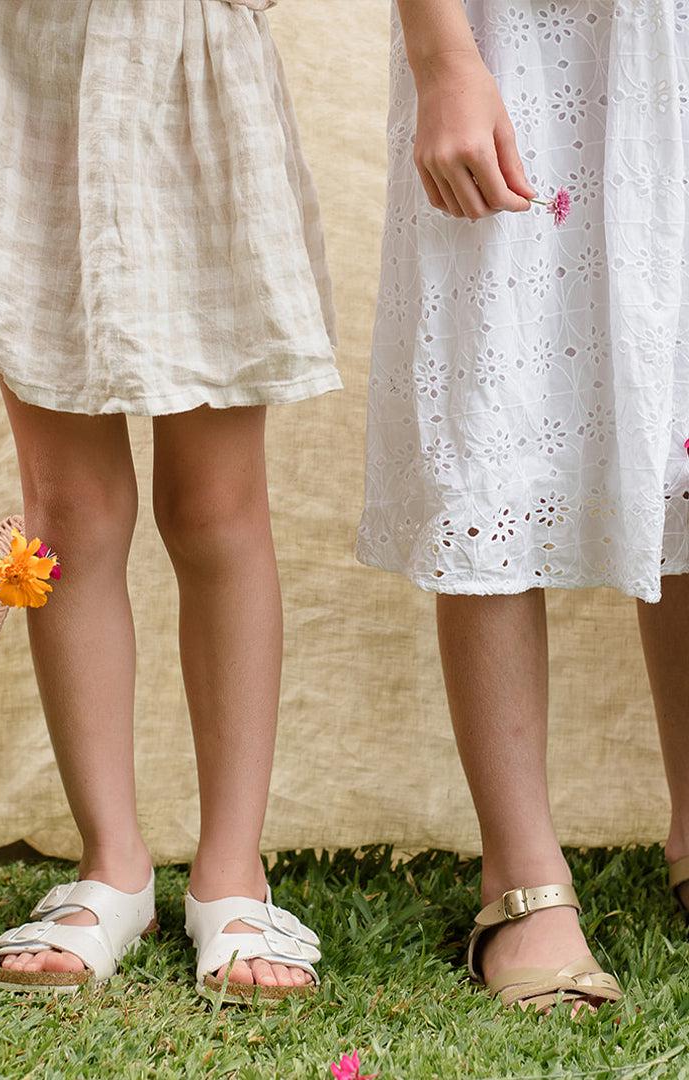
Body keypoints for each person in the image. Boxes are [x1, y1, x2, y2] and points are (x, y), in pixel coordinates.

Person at [0, 0, 335, 1000]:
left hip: (199, 96)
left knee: (217, 507)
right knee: (67, 514)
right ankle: (112, 863)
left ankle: (231, 872)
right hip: (30, 103)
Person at [358, 0, 688, 1012]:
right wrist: (442, 54)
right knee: (495, 418)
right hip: (519, 46)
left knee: (681, 414)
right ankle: (522, 877)